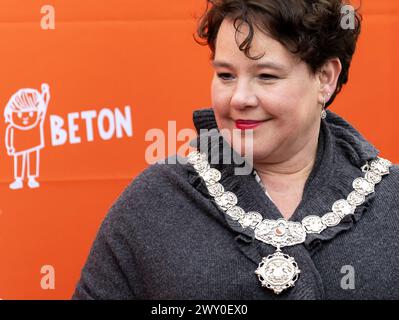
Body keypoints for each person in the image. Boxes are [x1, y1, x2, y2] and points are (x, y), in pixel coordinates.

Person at [72, 0, 399, 299]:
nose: (239, 98)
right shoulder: (155, 201)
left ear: (325, 78)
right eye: (226, 75)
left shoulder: (391, 203)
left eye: (267, 76)